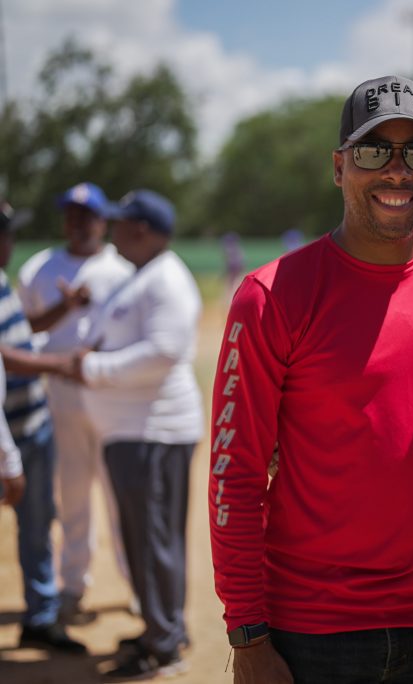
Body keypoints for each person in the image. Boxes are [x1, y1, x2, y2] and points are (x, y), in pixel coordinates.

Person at [208, 75, 413, 684]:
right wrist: (248, 635)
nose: (397, 172)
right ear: (339, 167)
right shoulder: (270, 296)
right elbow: (234, 475)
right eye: (374, 152)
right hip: (311, 631)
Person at [67, 189, 203, 680]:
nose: (114, 231)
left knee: (152, 542)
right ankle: (159, 629)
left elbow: (165, 351)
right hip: (135, 433)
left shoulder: (166, 278)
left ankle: (162, 646)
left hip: (153, 434)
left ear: (141, 230)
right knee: (145, 540)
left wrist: (95, 369)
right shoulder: (144, 276)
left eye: (121, 223)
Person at [17, 182, 135, 624]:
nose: (77, 222)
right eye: (70, 214)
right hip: (60, 398)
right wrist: (61, 311)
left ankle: (135, 583)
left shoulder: (122, 270)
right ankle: (72, 586)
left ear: (103, 221)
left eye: (86, 215)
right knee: (71, 498)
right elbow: (19, 331)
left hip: (111, 398)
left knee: (120, 495)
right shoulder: (38, 269)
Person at [0, 200, 87, 654]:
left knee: (38, 525)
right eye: (8, 234)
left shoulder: (0, 280)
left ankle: (40, 617)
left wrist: (63, 308)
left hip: (31, 425)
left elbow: (20, 332)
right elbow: (4, 357)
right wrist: (59, 365)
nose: (11, 243)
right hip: (4, 437)